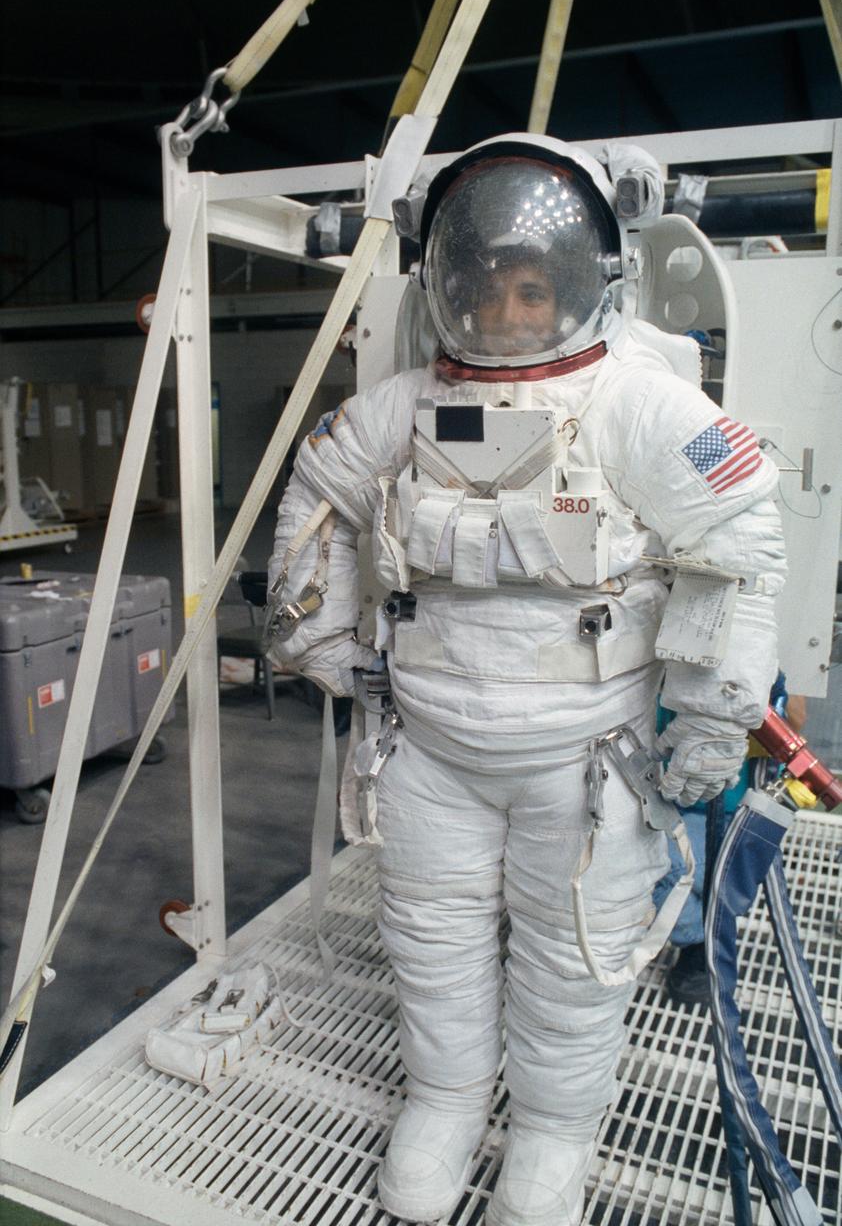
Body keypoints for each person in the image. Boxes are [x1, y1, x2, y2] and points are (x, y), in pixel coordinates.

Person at [267, 134, 787, 1226]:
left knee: (572, 955)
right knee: (431, 932)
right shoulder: (409, 406)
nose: (506, 311)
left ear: (587, 286)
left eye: (530, 286)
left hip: (584, 758)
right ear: (444, 288)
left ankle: (552, 1130)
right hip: (430, 749)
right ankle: (446, 1098)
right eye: (483, 287)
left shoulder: (636, 405)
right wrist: (328, 654)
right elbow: (315, 506)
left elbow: (738, 545)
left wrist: (709, 718)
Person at [658, 675, 807, 1005]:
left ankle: (703, 938)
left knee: (666, 868)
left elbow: (793, 728)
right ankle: (703, 930)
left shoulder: (761, 669)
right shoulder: (663, 663)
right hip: (666, 799)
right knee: (647, 865)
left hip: (727, 812)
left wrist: (774, 679)